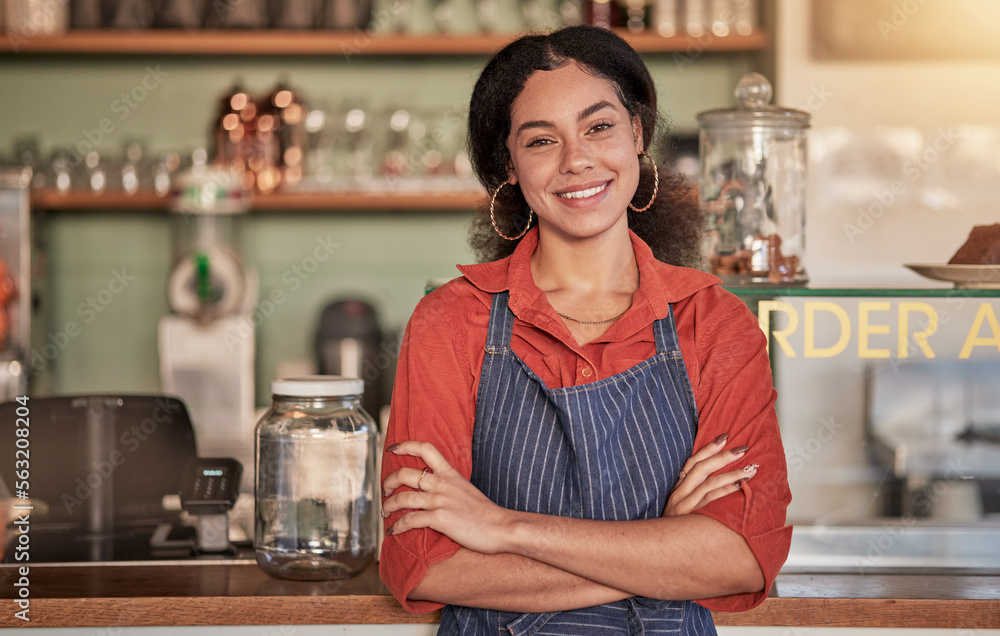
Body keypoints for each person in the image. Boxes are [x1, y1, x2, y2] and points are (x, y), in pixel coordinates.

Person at [379, 25, 792, 635]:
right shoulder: (451, 321)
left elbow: (743, 558)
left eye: (598, 126)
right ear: (509, 167)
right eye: (541, 140)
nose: (577, 160)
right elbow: (424, 565)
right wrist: (668, 552)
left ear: (638, 133)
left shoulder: (715, 323)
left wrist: (502, 527)